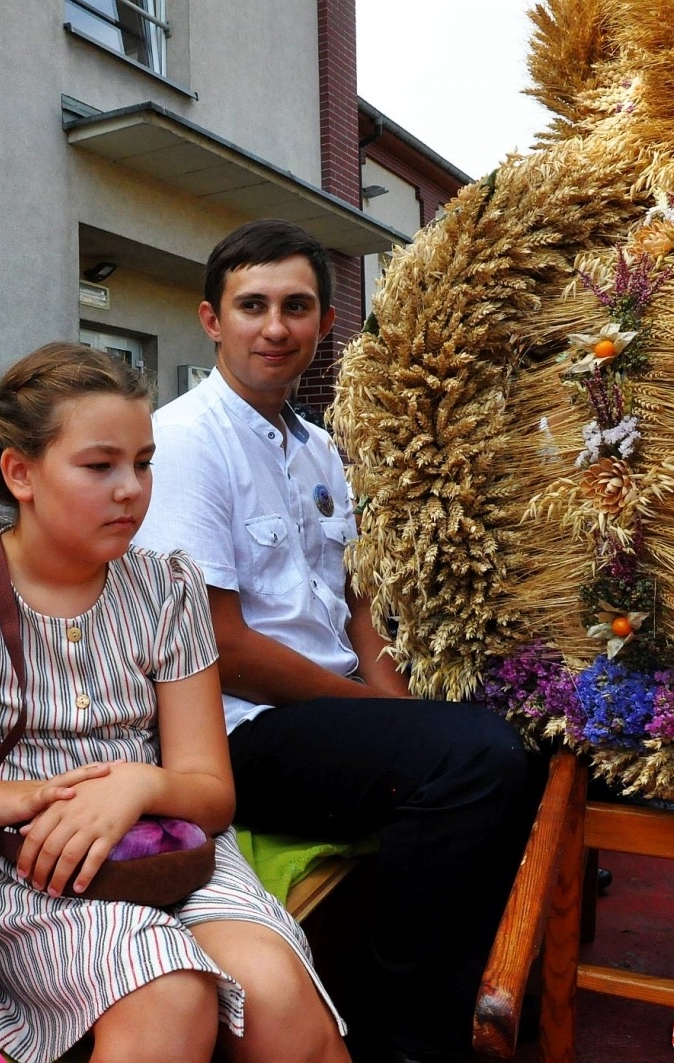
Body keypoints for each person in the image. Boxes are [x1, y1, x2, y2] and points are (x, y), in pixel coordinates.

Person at [0, 343, 350, 1063]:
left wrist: (138, 785)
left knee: (276, 997)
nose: (131, 489)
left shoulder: (167, 588)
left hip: (172, 847)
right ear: (20, 473)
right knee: (170, 996)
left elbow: (211, 793)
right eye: (100, 466)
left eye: (143, 463)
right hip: (28, 874)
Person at [133, 219, 536, 1063]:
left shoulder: (318, 447)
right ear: (212, 320)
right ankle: (413, 1041)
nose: (274, 327)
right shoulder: (185, 441)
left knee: (503, 739)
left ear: (323, 323)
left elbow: (358, 609)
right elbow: (219, 643)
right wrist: (385, 718)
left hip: (325, 714)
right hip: (238, 730)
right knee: (477, 757)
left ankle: (475, 994)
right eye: (252, 305)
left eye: (296, 306)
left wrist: (402, 713)